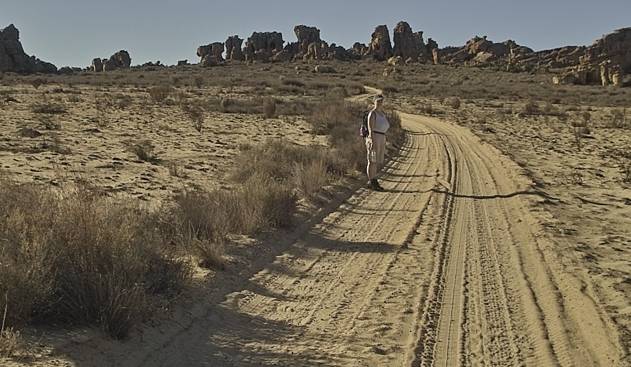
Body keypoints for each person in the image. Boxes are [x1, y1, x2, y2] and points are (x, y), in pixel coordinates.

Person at [365, 95, 390, 191]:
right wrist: (373, 142)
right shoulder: (372, 114)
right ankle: (372, 181)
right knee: (372, 161)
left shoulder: (382, 114)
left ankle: (373, 180)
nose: (380, 103)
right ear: (374, 102)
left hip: (381, 138)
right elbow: (371, 130)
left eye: (381, 101)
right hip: (374, 138)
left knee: (376, 161)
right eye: (378, 101)